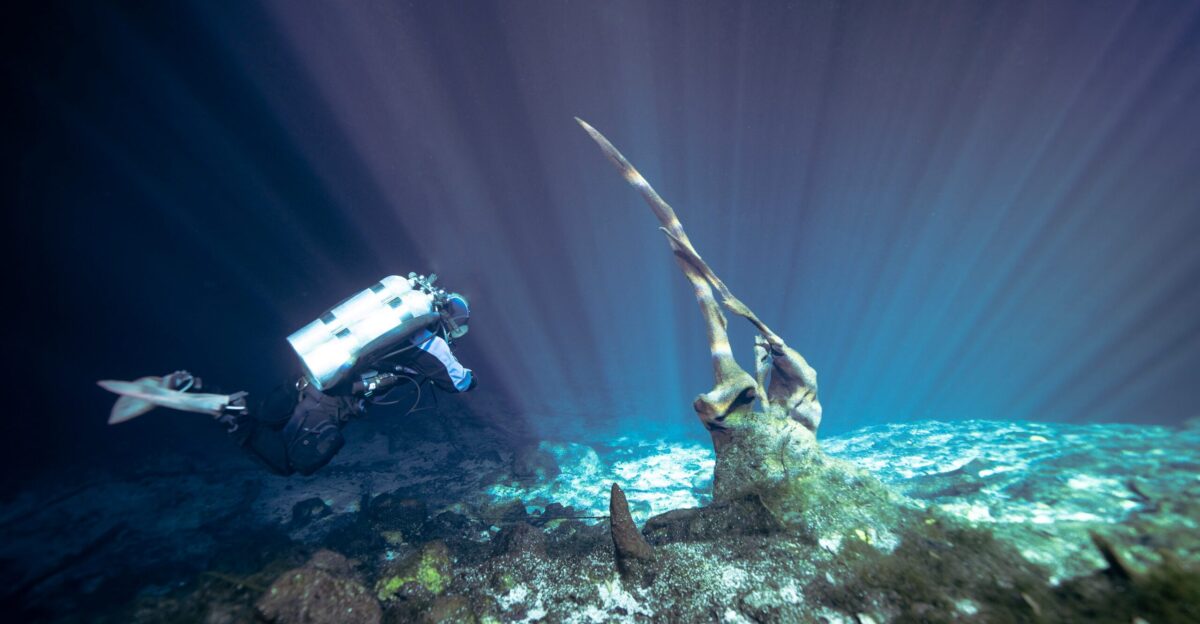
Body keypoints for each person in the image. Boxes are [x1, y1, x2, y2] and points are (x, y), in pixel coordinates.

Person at [100, 274, 476, 476]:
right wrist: (471, 378)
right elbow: (457, 382)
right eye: (460, 327)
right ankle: (218, 409)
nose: (457, 334)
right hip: (331, 403)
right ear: (450, 321)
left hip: (305, 378)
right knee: (291, 463)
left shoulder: (393, 320)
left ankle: (190, 386)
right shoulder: (432, 342)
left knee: (261, 415)